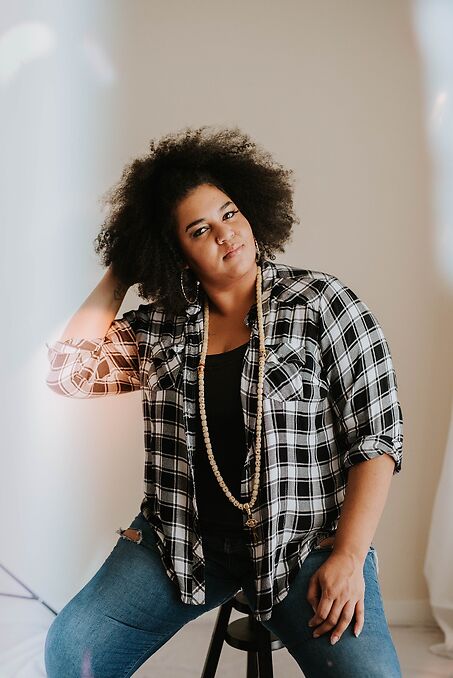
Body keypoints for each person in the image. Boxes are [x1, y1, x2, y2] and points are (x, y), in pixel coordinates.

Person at [44, 125, 404, 677]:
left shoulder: (324, 303)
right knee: (70, 650)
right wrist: (124, 264)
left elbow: (376, 437)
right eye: (199, 229)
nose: (225, 234)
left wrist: (350, 557)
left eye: (230, 213)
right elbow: (69, 373)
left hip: (302, 542)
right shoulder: (161, 328)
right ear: (176, 253)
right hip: (181, 543)